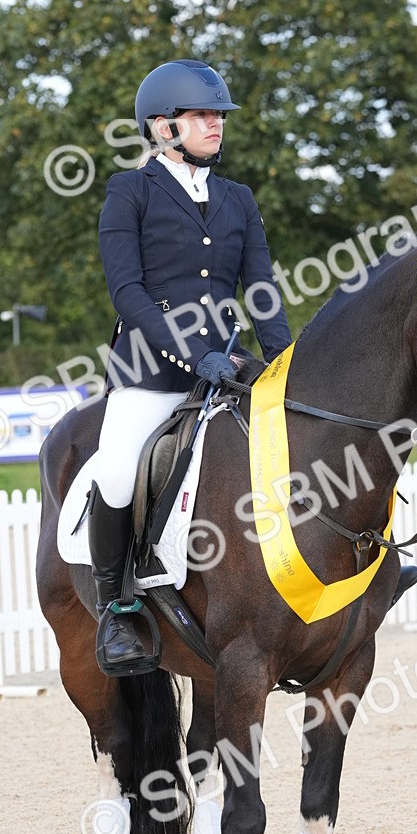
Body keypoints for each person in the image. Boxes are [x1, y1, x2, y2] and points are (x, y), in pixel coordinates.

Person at [91, 58, 292, 671]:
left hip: (228, 368)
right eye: (202, 115)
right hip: (151, 370)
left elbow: (260, 290)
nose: (216, 125)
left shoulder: (238, 198)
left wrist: (285, 362)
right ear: (162, 127)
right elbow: (127, 292)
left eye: (218, 116)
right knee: (120, 470)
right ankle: (116, 610)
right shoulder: (130, 192)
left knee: (300, 441)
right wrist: (191, 353)